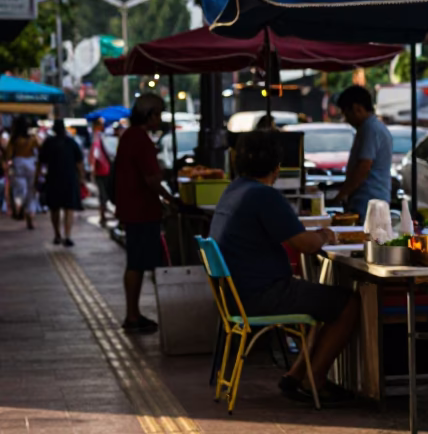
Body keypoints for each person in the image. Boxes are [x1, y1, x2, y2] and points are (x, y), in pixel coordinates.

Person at [210, 131, 360, 405]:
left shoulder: (233, 191)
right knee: (346, 303)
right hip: (261, 295)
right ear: (277, 167)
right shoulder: (263, 196)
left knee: (320, 300)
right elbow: (306, 244)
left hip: (235, 296)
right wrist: (326, 235)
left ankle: (295, 376)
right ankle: (315, 381)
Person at [113, 93, 179, 334]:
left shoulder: (131, 137)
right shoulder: (139, 139)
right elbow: (151, 178)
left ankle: (134, 313)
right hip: (140, 210)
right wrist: (170, 197)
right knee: (138, 262)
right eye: (158, 114)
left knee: (138, 263)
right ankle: (132, 314)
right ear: (149, 115)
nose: (159, 119)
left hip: (135, 209)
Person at [334, 85, 392, 218]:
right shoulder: (372, 127)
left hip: (368, 203)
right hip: (372, 202)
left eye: (346, 114)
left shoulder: (369, 129)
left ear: (357, 108)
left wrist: (340, 195)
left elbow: (363, 166)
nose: (346, 120)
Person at [37, 119, 85, 246]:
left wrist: (37, 177)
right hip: (69, 179)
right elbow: (79, 163)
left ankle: (57, 234)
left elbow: (41, 162)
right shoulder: (71, 142)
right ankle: (67, 236)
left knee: (55, 208)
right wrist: (82, 178)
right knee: (69, 208)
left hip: (53, 179)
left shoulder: (49, 143)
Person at [6, 116, 40, 229]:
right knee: (30, 191)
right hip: (31, 164)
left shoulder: (14, 140)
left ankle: (19, 208)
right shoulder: (32, 139)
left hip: (18, 164)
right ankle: (29, 215)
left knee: (21, 190)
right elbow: (40, 149)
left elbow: (8, 155)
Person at [90, 118, 114, 225]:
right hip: (107, 170)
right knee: (106, 194)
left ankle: (103, 216)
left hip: (102, 171)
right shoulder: (103, 138)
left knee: (103, 195)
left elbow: (94, 156)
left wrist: (93, 169)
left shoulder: (98, 139)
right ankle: (103, 216)